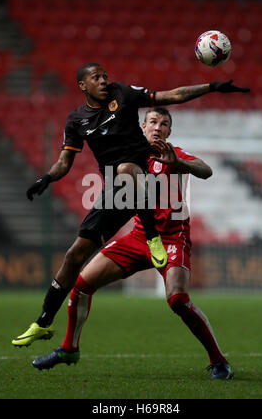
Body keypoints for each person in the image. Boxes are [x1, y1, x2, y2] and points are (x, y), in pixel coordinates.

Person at [12, 62, 249, 348]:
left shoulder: (122, 94)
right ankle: (43, 321)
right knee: (74, 256)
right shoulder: (76, 120)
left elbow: (171, 96)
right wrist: (46, 178)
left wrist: (211, 87)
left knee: (127, 169)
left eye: (105, 76)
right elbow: (65, 161)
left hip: (139, 173)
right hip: (115, 194)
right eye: (96, 77)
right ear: (82, 85)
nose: (103, 81)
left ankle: (153, 238)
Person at [32, 107, 233, 380]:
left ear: (169, 131)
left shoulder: (175, 154)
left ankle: (219, 361)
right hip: (139, 237)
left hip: (173, 238)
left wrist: (179, 163)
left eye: (164, 124)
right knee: (81, 285)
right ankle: (69, 348)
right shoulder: (130, 156)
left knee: (178, 300)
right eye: (153, 122)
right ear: (143, 126)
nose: (158, 127)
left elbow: (206, 170)